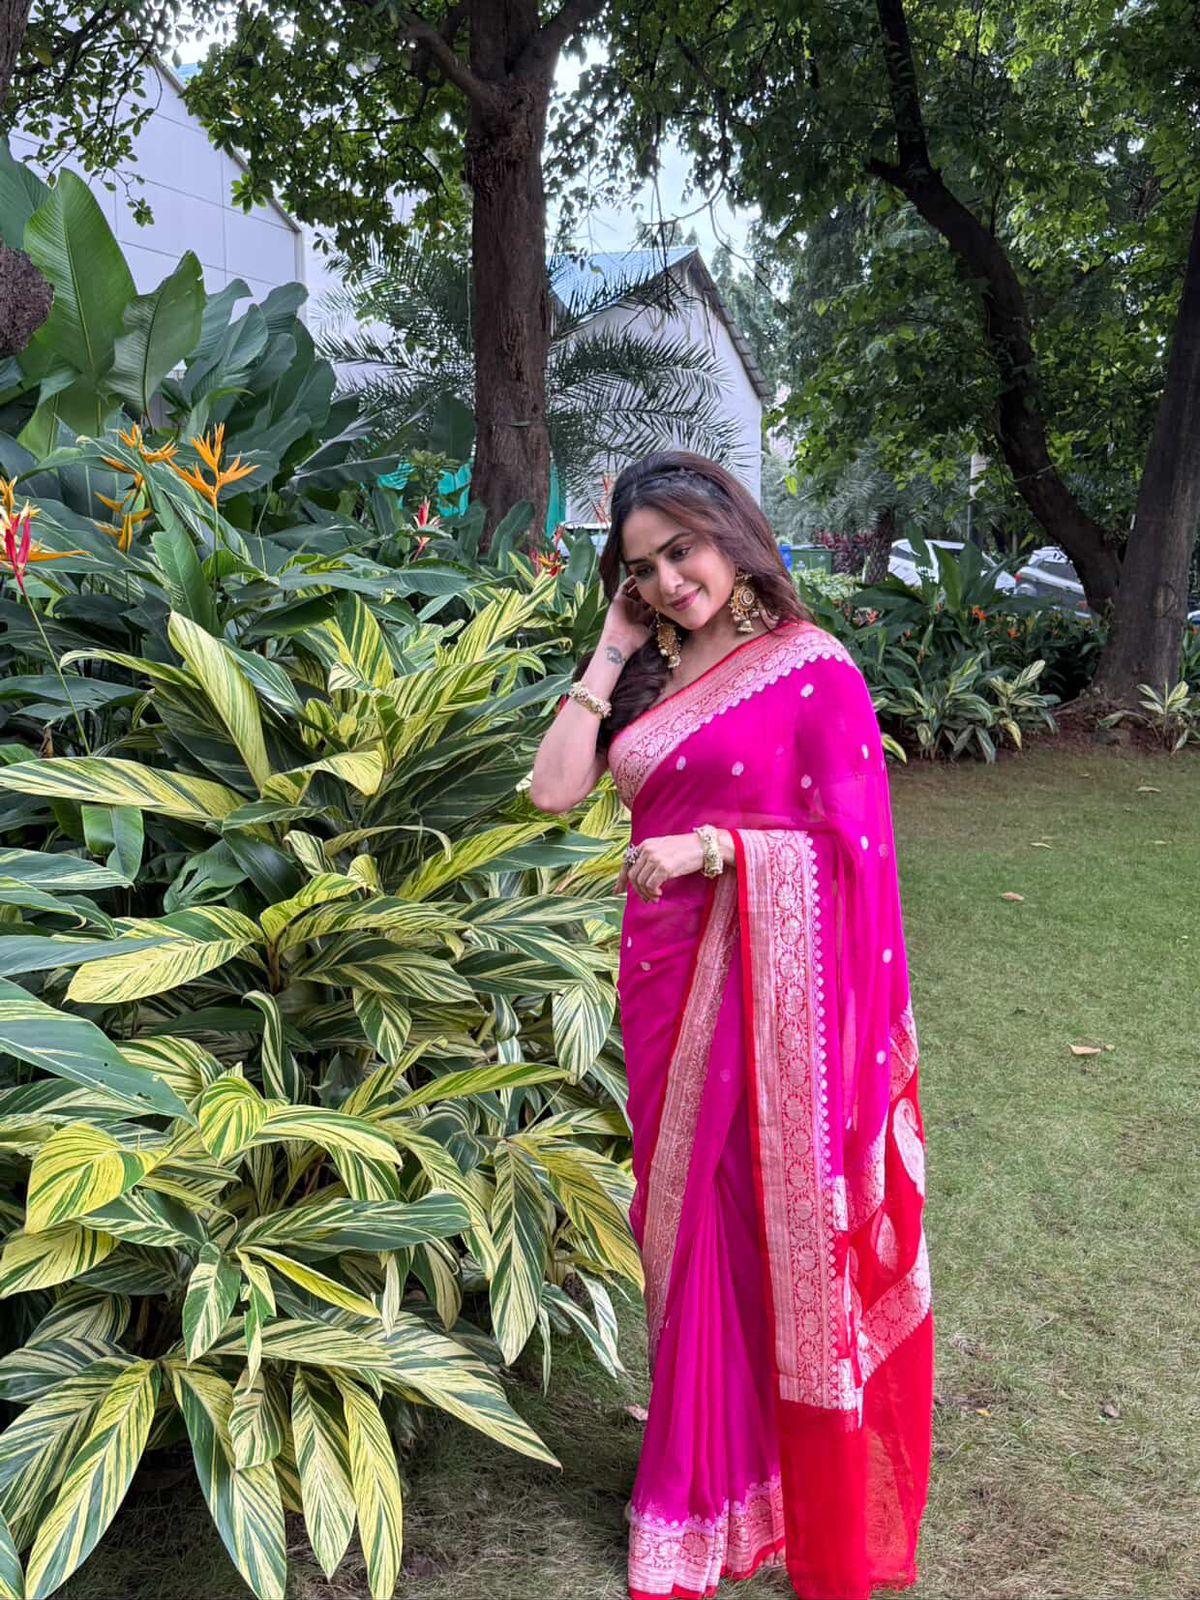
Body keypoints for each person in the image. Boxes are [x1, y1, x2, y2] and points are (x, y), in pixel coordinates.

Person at [529, 451, 934, 1600]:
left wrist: (716, 849)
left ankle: (730, 1485)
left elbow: (852, 855)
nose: (670, 580)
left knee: (757, 1227)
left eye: (684, 551)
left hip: (772, 997)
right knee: (682, 1232)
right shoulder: (650, 672)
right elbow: (554, 789)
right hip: (664, 985)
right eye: (645, 566)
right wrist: (611, 647)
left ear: (733, 537)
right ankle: (713, 1472)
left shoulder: (811, 668)